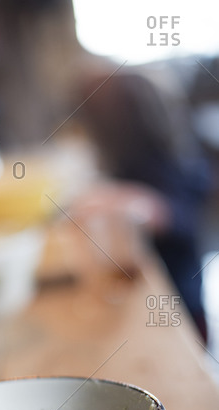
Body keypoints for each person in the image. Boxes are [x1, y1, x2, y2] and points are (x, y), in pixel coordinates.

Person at [75, 66, 212, 339]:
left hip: (184, 309)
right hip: (159, 301)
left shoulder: (166, 164)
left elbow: (178, 218)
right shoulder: (132, 163)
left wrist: (126, 201)